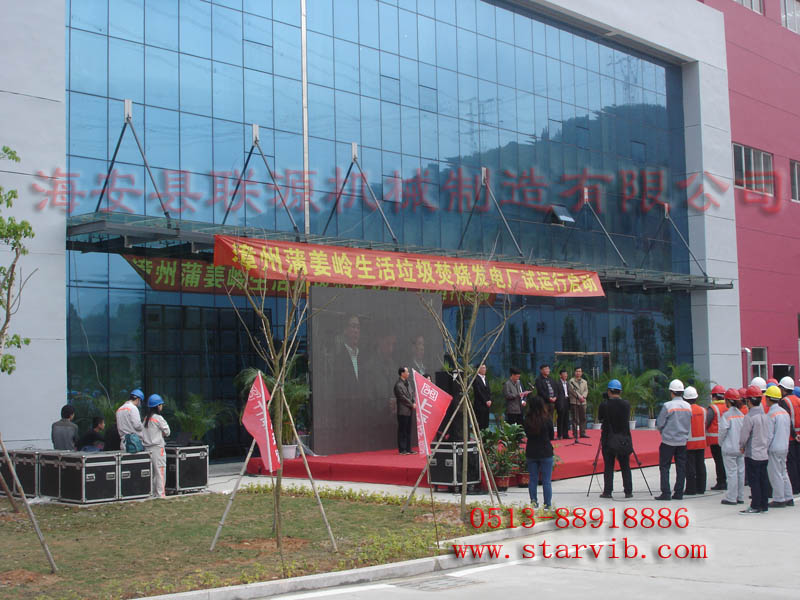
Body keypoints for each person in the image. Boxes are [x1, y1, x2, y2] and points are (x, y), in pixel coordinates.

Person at [655, 379, 691, 501]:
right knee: (681, 467)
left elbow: (660, 423)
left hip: (668, 441)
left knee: (665, 467)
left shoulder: (668, 406)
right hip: (682, 441)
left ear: (672, 392)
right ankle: (679, 492)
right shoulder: (688, 406)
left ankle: (666, 492)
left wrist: (663, 431)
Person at [598, 379, 633, 499]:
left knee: (609, 466)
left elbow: (600, 417)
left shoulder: (604, 405)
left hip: (609, 439)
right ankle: (628, 491)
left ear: (609, 391)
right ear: (620, 391)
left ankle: (607, 491)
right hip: (624, 439)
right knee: (625, 466)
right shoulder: (626, 404)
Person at [739, 387, 771, 514]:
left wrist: (741, 446)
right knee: (763, 480)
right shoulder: (765, 415)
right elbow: (769, 435)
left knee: (754, 481)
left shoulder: (749, 417)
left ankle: (755, 505)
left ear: (749, 401)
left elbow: (744, 435)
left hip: (753, 454)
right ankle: (764, 505)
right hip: (764, 453)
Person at [524, 396, 555, 512]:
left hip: (531, 451)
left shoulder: (527, 419)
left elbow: (527, 434)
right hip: (545, 450)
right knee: (546, 481)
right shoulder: (547, 419)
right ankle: (547, 505)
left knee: (533, 479)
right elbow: (551, 436)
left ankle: (533, 502)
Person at [765, 385, 793, 507]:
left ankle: (779, 499)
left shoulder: (771, 414)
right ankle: (788, 497)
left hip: (774, 448)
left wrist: (764, 448)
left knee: (775, 473)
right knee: (783, 472)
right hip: (784, 446)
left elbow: (768, 435)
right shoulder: (784, 412)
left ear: (769, 398)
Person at [719, 388, 745, 505]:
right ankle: (740, 496)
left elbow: (722, 432)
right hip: (740, 448)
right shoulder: (741, 415)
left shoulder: (726, 415)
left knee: (731, 473)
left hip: (729, 448)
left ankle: (731, 497)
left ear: (728, 401)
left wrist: (721, 443)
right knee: (740, 473)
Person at [142, 394, 171, 498]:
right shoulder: (158, 418)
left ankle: (153, 494)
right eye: (161, 404)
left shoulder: (146, 418)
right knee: (160, 471)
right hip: (158, 449)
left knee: (152, 473)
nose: (162, 406)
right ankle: (160, 494)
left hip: (147, 449)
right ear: (158, 406)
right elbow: (167, 432)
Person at [684, 386, 707, 496]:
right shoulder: (703, 410)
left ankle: (691, 489)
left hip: (689, 443)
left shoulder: (686, 411)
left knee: (690, 467)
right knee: (701, 465)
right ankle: (701, 488)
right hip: (701, 442)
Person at [705, 384, 728, 490]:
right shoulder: (728, 407)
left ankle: (721, 482)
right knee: (725, 461)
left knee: (718, 462)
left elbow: (706, 422)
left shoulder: (712, 408)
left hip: (715, 440)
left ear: (714, 396)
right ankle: (726, 480)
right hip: (727, 439)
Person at [781, 382, 800, 495]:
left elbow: (787, 420)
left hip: (791, 437)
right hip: (798, 436)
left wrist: (793, 434)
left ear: (783, 389)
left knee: (791, 464)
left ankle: (795, 487)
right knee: (798, 462)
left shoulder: (784, 401)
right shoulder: (798, 400)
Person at [394, 367, 415, 454]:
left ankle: (408, 449)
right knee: (402, 430)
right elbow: (402, 398)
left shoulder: (408, 383)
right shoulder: (398, 385)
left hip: (409, 410)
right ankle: (402, 449)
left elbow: (412, 394)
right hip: (403, 411)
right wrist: (411, 404)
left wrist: (414, 401)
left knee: (408, 430)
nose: (408, 373)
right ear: (402, 373)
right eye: (407, 372)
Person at [568, 367, 589, 438]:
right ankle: (575, 433)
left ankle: (582, 433)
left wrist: (583, 396)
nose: (578, 373)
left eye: (580, 371)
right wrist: (579, 397)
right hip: (575, 401)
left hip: (583, 402)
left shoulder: (584, 381)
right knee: (575, 419)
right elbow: (572, 391)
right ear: (574, 372)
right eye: (577, 371)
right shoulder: (571, 381)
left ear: (581, 373)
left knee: (583, 418)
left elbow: (586, 390)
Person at [472, 364, 492, 431]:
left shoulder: (486, 378)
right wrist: (485, 401)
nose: (484, 369)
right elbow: (478, 392)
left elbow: (488, 391)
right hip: (479, 405)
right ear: (478, 369)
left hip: (487, 405)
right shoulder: (475, 379)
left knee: (486, 423)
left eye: (485, 368)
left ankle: (485, 436)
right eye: (482, 368)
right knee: (480, 423)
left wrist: (489, 400)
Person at [554, 369, 571, 439]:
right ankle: (559, 435)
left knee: (566, 418)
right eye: (564, 374)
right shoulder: (557, 383)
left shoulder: (568, 383)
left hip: (567, 401)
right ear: (560, 375)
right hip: (560, 402)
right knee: (560, 419)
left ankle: (565, 434)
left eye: (566, 374)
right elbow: (556, 393)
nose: (565, 375)